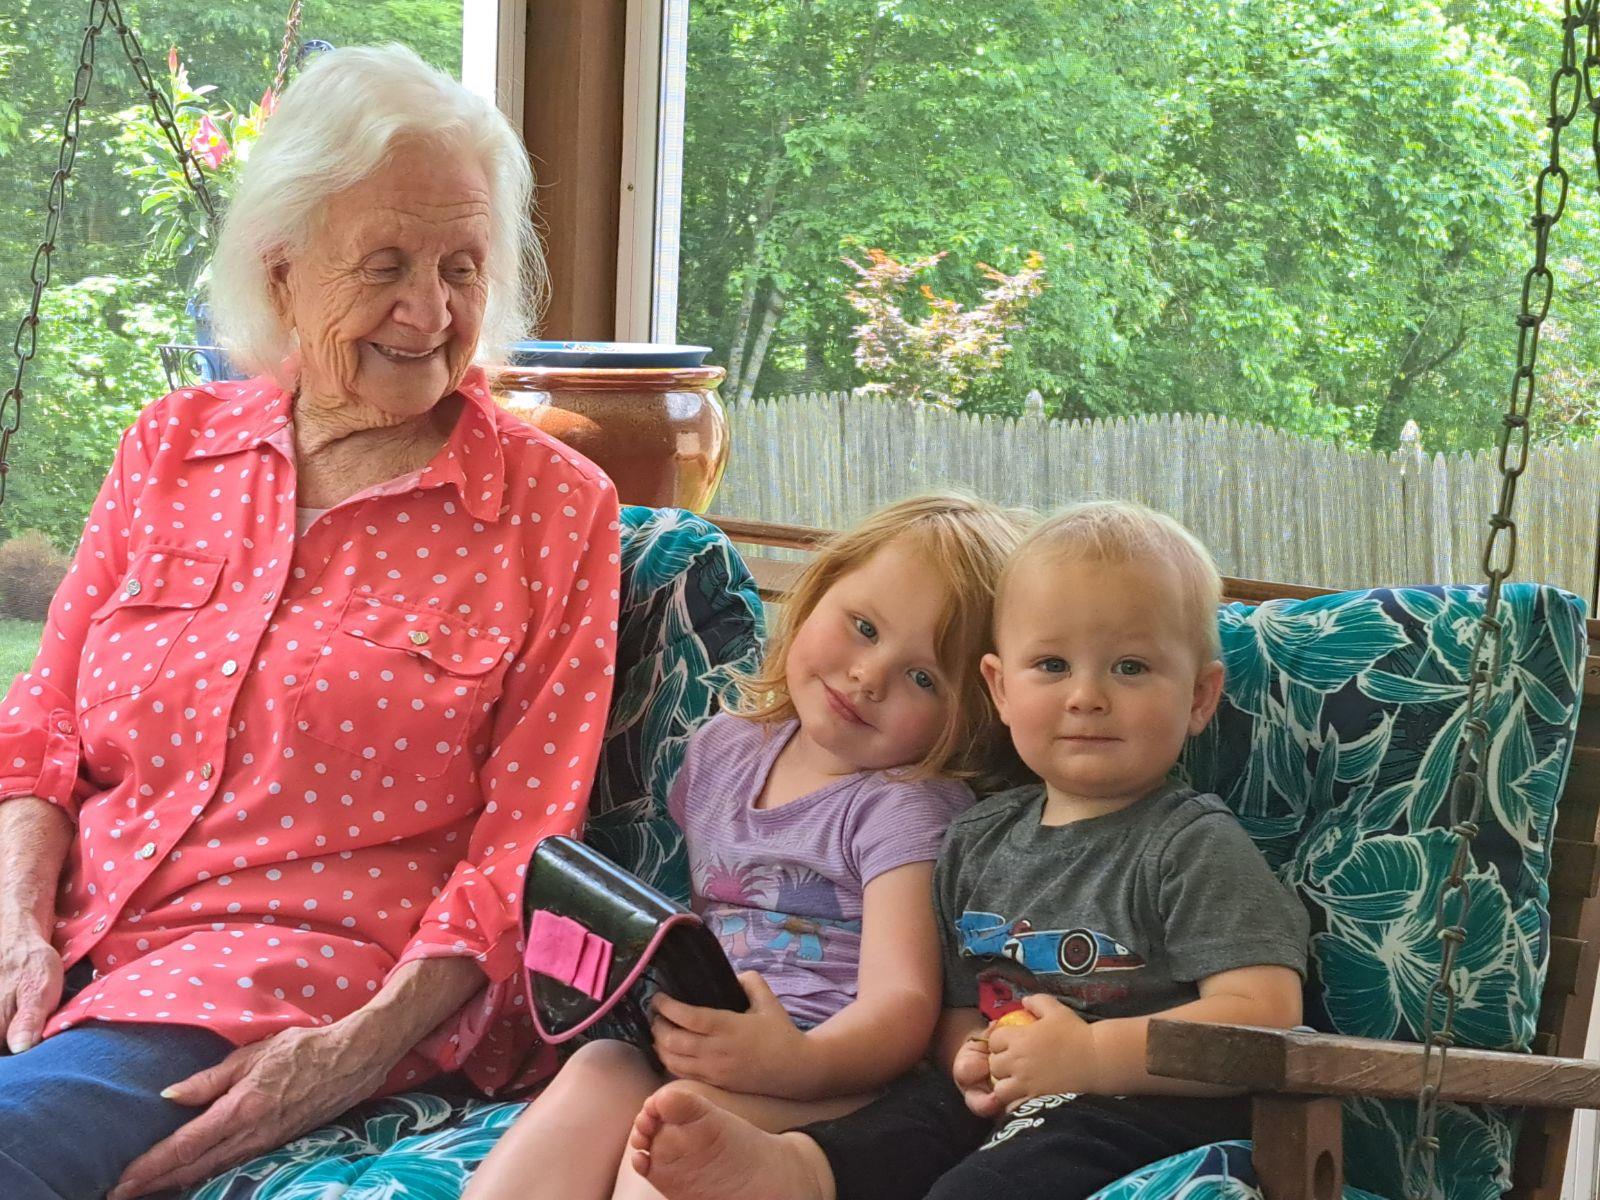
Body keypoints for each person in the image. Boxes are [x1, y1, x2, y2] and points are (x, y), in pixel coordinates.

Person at [0, 45, 622, 1200]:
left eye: (461, 266)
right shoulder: (170, 447)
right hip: (60, 936)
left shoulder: (549, 510)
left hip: (269, 975)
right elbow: (40, 727)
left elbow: (525, 847)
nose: (429, 310)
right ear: (280, 273)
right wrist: (17, 927)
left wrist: (360, 1047)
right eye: (384, 265)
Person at [626, 500, 1311, 1200]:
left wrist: (1092, 1056)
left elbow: (1265, 1011)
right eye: (1051, 664)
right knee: (904, 1124)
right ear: (1000, 689)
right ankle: (796, 1172)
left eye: (1130, 668)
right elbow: (957, 1012)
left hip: (1147, 1106)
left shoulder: (1190, 844)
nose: (1085, 696)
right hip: (1005, 1103)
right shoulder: (975, 842)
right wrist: (974, 1061)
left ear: (1199, 698)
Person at [463, 493, 1029, 1200]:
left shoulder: (907, 807)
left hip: (834, 1081)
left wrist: (792, 1061)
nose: (869, 676)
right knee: (597, 1070)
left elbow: (904, 1004)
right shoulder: (722, 751)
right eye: (863, 627)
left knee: (673, 1147)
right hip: (706, 1045)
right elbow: (710, 924)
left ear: (970, 718)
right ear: (816, 590)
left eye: (923, 677)